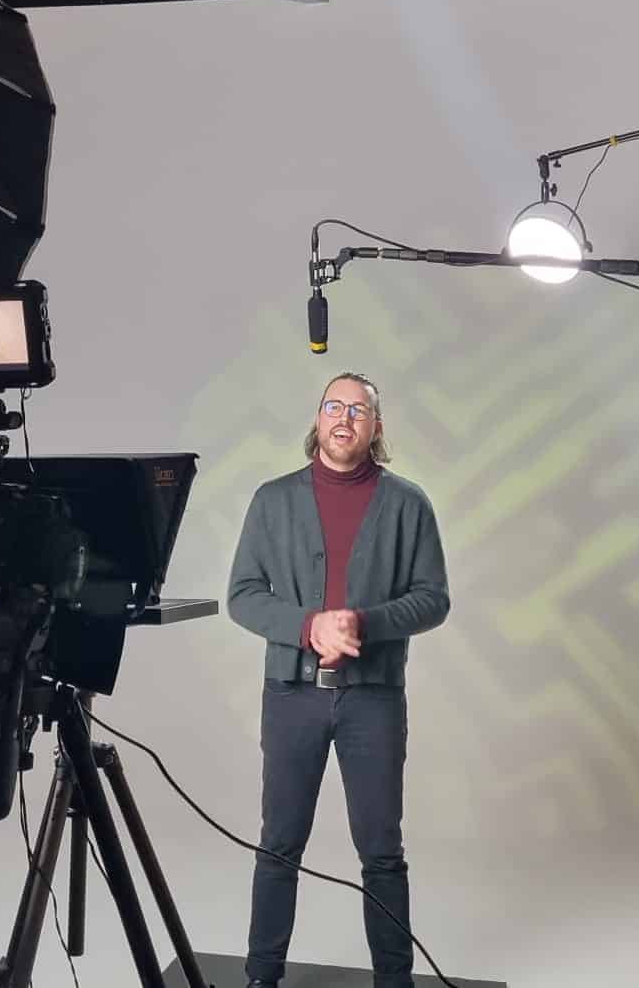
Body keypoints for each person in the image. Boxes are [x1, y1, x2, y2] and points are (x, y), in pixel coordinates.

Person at [228, 372, 450, 988]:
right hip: (291, 697)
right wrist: (309, 626)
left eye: (359, 409)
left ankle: (394, 980)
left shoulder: (408, 503)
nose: (344, 416)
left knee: (381, 851)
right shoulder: (272, 500)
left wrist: (362, 622)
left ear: (376, 428)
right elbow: (242, 596)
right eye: (333, 405)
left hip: (373, 702)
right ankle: (261, 977)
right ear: (317, 418)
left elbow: (434, 600)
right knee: (279, 844)